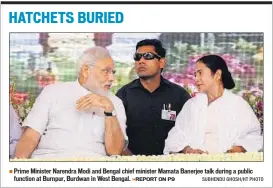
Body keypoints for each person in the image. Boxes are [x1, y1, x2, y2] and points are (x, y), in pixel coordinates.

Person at [15, 47, 128, 159]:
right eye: (106, 71)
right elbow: (31, 136)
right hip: (48, 161)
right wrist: (18, 167)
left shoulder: (115, 102)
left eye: (113, 72)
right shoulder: (52, 91)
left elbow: (115, 151)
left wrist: (109, 110)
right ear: (86, 70)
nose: (112, 78)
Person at [164, 55, 263, 154]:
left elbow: (253, 135)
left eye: (200, 73)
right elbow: (176, 135)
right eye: (195, 75)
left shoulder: (238, 104)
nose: (196, 79)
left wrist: (239, 148)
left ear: (217, 74)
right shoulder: (191, 105)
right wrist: (187, 150)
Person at [116, 39, 191, 155]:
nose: (141, 61)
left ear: (161, 62)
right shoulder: (123, 95)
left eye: (148, 56)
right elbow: (115, 134)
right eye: (137, 57)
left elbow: (190, 131)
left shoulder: (179, 95)